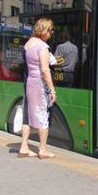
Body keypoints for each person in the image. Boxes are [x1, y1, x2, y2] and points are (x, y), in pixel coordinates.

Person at [18, 18, 57, 159]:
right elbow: (45, 71)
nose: (51, 33)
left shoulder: (28, 44)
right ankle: (42, 149)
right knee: (43, 115)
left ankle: (23, 147)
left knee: (28, 115)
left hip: (29, 82)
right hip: (40, 84)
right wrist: (52, 90)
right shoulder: (43, 47)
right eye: (51, 30)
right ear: (45, 30)